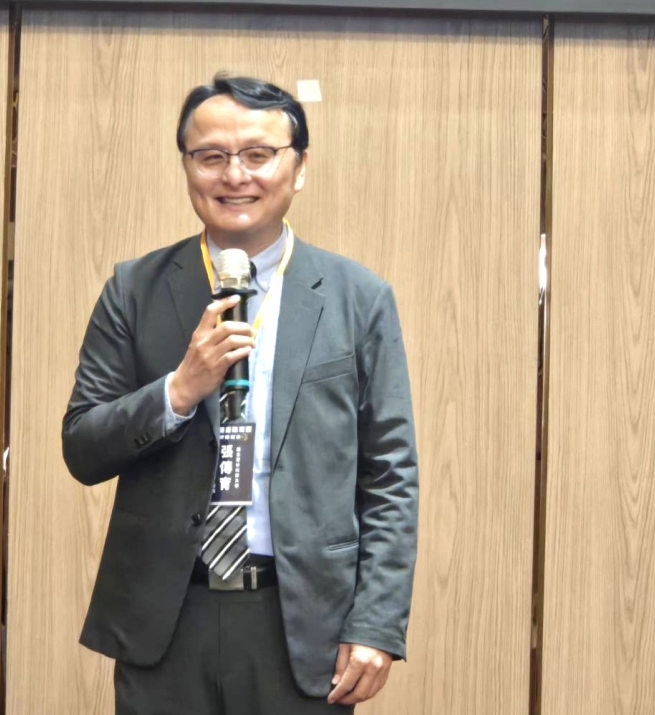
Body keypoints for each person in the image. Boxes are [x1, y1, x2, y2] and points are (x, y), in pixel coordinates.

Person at [62, 73, 419, 715]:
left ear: (299, 167)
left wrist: (377, 622)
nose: (235, 176)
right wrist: (177, 391)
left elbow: (390, 474)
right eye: (211, 156)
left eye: (258, 154)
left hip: (303, 620)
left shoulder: (358, 298)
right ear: (187, 166)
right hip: (167, 618)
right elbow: (83, 447)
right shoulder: (134, 289)